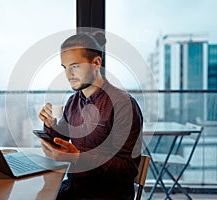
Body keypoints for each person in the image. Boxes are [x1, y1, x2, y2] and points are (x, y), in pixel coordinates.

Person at [38, 31, 143, 200]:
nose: (68, 75)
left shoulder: (123, 104)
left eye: (75, 66)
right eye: (65, 68)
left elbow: (128, 168)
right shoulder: (73, 102)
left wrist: (78, 157)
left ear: (96, 63)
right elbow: (59, 141)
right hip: (73, 189)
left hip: (107, 195)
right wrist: (50, 126)